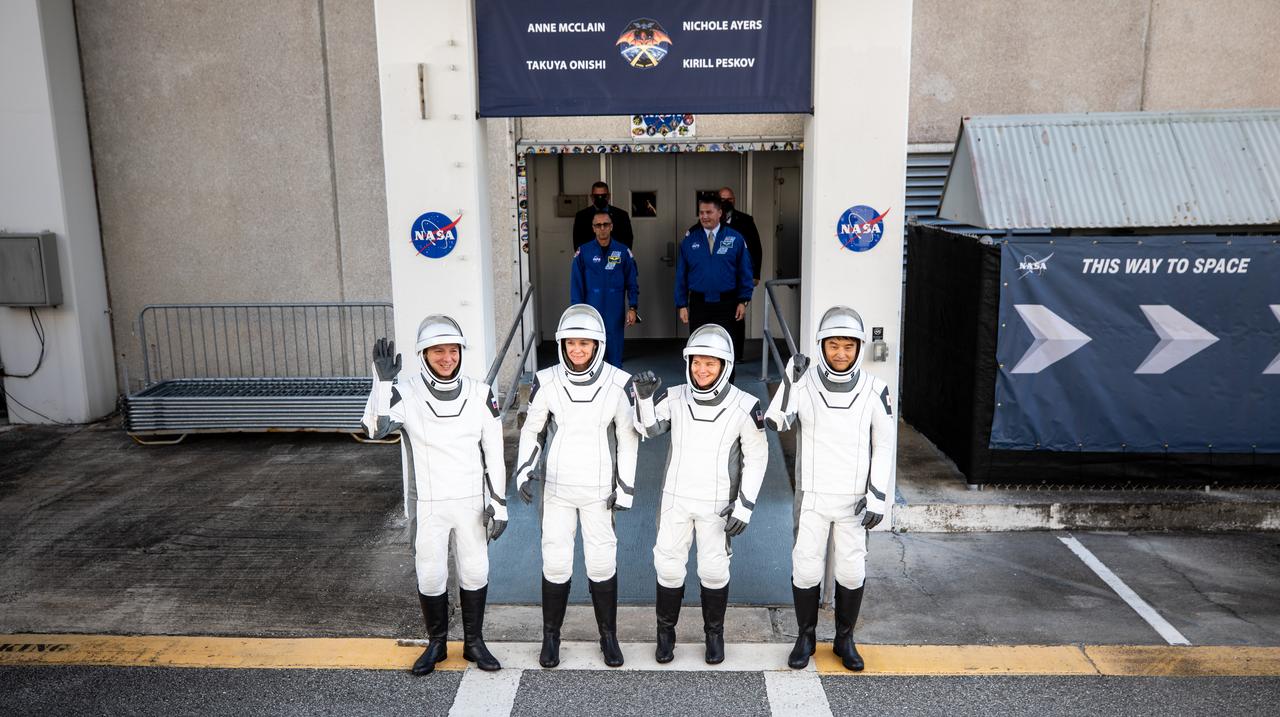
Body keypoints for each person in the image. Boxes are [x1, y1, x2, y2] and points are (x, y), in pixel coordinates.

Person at [362, 315, 508, 675]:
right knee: (430, 575)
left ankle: (474, 643)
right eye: (437, 351)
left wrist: (499, 503)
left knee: (475, 572)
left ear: (461, 352)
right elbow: (374, 428)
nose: (446, 358)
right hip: (428, 504)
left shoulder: (481, 393)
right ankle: (437, 644)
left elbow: (494, 452)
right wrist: (382, 383)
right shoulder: (406, 392)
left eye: (453, 350)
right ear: (424, 354)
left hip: (471, 503)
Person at [763, 306, 895, 672]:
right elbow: (776, 420)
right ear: (821, 346)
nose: (840, 353)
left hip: (855, 500)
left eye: (848, 346)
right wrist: (791, 376)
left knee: (851, 571)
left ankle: (844, 638)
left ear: (859, 348)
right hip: (813, 497)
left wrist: (877, 495)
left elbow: (884, 445)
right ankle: (805, 637)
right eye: (833, 345)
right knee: (806, 569)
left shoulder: (875, 389)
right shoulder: (804, 384)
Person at [631, 324, 767, 665]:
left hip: (718, 505)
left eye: (710, 363)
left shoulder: (745, 405)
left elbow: (757, 457)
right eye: (696, 362)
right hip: (676, 499)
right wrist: (645, 399)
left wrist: (745, 506)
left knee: (714, 570)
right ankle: (665, 635)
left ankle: (714, 635)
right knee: (668, 567)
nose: (701, 370)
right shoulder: (674, 396)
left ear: (725, 365)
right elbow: (648, 429)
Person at [514, 305, 639, 669]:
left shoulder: (619, 382)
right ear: (562, 344)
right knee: (556, 562)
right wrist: (523, 471)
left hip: (600, 488)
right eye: (571, 343)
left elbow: (628, 438)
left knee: (602, 563)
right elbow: (532, 430)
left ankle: (608, 637)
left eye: (585, 343)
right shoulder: (546, 380)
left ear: (598, 344)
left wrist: (626, 486)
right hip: (557, 488)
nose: (577, 350)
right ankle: (550, 637)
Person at [674, 197, 754, 381]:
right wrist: (681, 304)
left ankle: (728, 386)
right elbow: (681, 276)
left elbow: (745, 272)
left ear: (720, 213)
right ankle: (698, 386)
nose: (704, 216)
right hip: (699, 303)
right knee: (698, 347)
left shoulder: (735, 238)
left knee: (726, 346)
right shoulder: (690, 240)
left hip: (727, 303)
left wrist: (743, 300)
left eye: (709, 212)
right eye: (701, 212)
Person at [570, 211, 639, 367]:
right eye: (598, 225)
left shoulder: (622, 251)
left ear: (611, 227)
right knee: (592, 356)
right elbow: (576, 285)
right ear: (593, 228)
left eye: (606, 224)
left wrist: (633, 307)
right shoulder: (584, 252)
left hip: (615, 312)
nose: (602, 228)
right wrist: (577, 312)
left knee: (615, 357)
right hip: (591, 312)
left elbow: (632, 282)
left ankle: (616, 389)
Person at [686, 187, 763, 287]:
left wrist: (756, 274)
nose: (727, 202)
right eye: (723, 200)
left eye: (730, 199)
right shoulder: (709, 218)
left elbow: (755, 247)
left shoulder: (746, 220)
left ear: (734, 200)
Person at [573, 181, 634, 250]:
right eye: (597, 196)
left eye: (603, 196)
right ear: (592, 197)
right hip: (590, 257)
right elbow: (578, 242)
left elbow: (627, 240)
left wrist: (621, 256)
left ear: (608, 196)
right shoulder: (581, 216)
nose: (600, 198)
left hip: (616, 257)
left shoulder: (622, 215)